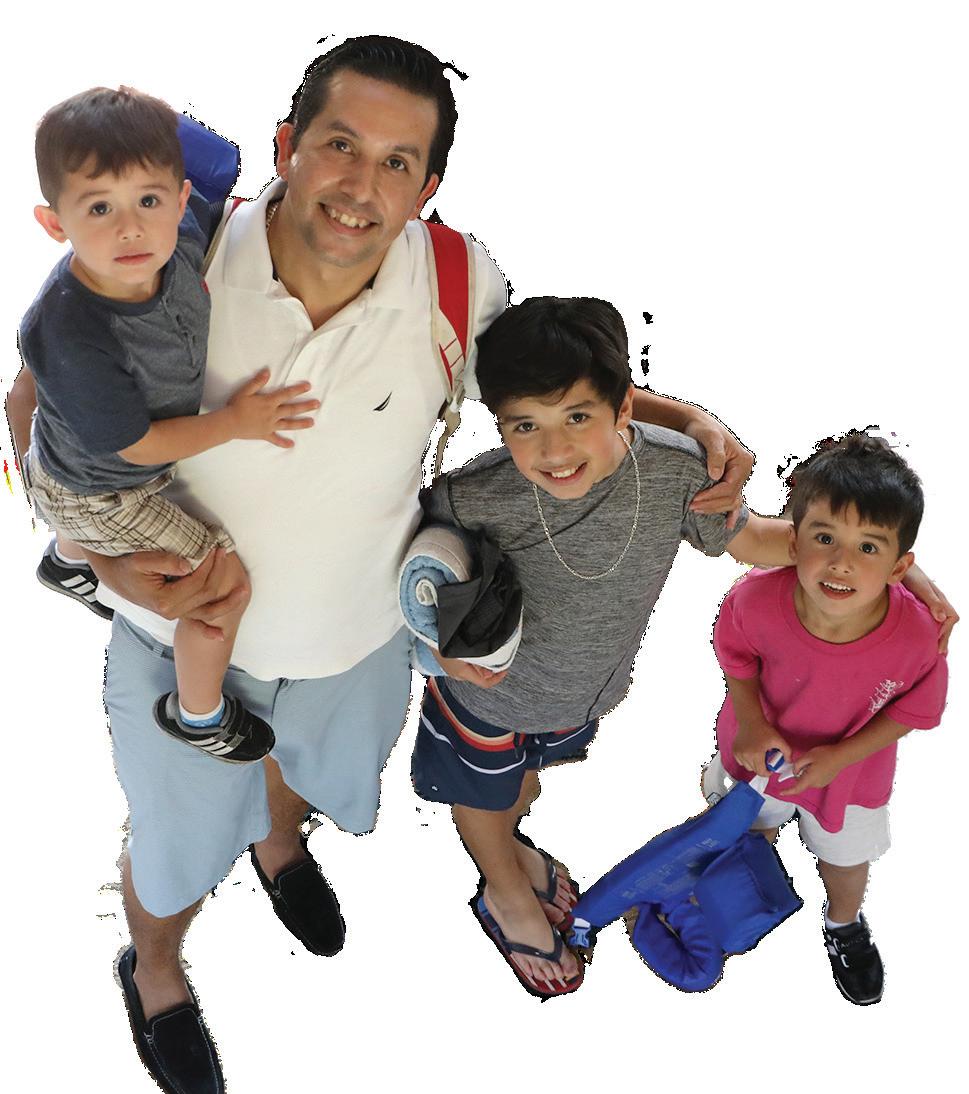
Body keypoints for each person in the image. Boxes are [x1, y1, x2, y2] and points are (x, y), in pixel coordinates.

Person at [4, 36, 758, 1093]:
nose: (361, 185)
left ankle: (278, 847)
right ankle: (157, 965)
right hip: (179, 640)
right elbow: (32, 409)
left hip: (354, 644)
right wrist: (97, 556)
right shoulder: (173, 250)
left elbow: (551, 384)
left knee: (300, 781)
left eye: (397, 161)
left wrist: (691, 419)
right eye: (339, 145)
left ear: (427, 185)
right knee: (173, 852)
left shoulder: (456, 281)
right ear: (286, 145)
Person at [409, 296, 827, 996]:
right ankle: (504, 892)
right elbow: (408, 578)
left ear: (623, 407)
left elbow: (752, 538)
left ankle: (513, 852)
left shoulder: (675, 471)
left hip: (583, 691)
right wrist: (435, 652)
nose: (553, 451)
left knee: (523, 786)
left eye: (577, 417)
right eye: (524, 425)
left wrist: (858, 556)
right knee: (481, 798)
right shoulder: (473, 494)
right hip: (484, 698)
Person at [19, 86, 320, 764]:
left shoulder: (179, 237)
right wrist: (237, 421)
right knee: (222, 585)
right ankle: (198, 714)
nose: (130, 229)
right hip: (101, 490)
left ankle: (69, 564)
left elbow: (216, 159)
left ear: (182, 200)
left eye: (148, 201)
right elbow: (140, 445)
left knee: (75, 481)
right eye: (99, 208)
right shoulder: (71, 331)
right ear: (54, 223)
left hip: (69, 456)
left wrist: (131, 107)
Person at [701, 432, 948, 1005]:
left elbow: (917, 708)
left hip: (853, 777)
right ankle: (734, 892)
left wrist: (841, 757)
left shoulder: (917, 636)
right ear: (793, 539)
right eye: (824, 537)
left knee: (846, 861)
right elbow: (735, 656)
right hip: (757, 756)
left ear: (899, 566)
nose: (841, 563)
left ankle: (843, 923)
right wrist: (751, 720)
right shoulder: (755, 599)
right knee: (746, 833)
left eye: (868, 547)